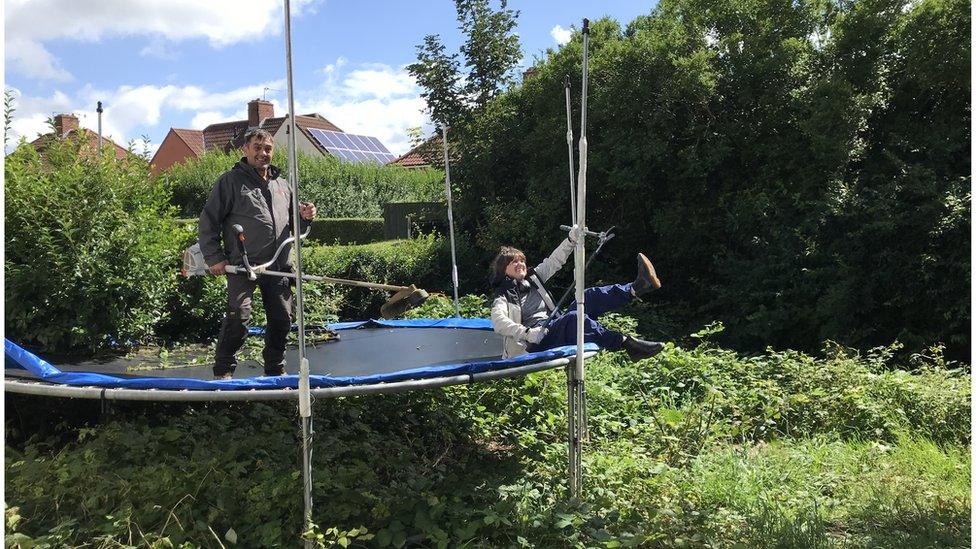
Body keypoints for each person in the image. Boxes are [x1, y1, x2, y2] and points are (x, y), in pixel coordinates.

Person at [198, 128, 317, 380]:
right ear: (246, 149)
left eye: (268, 149)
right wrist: (214, 257)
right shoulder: (230, 182)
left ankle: (275, 369)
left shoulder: (282, 185)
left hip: (278, 266)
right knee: (238, 318)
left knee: (282, 318)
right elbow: (208, 221)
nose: (263, 153)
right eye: (257, 148)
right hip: (243, 266)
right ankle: (223, 371)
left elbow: (294, 226)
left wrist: (305, 218)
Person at [489, 231, 665, 361]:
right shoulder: (503, 295)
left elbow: (554, 261)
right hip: (533, 344)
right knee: (574, 318)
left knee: (587, 297)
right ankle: (626, 343)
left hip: (551, 328)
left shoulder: (534, 279)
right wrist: (527, 333)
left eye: (522, 260)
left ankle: (636, 288)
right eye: (514, 262)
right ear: (504, 270)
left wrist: (571, 240)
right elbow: (499, 322)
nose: (520, 264)